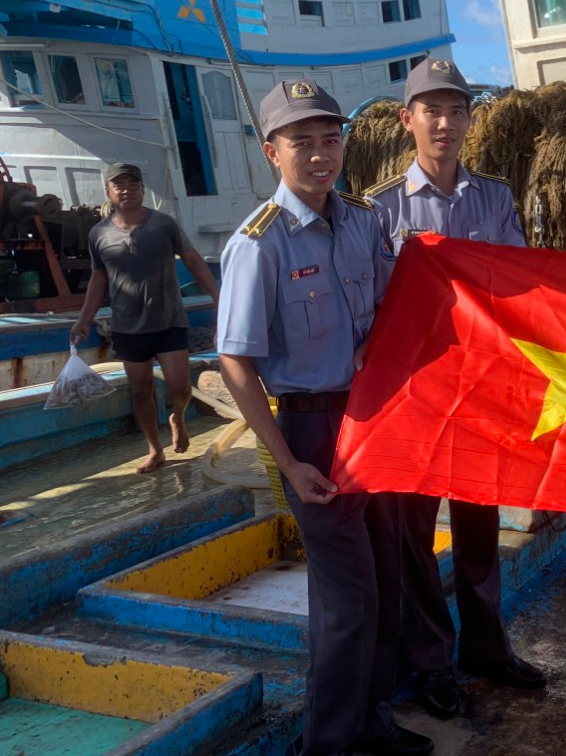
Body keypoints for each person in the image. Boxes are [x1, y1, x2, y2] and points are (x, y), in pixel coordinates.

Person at [217, 79, 432, 756]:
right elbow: (236, 364)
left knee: (388, 582)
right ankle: (329, 744)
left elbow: (397, 303)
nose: (319, 154)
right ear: (270, 151)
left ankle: (372, 724)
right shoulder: (260, 243)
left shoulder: (363, 221)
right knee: (347, 603)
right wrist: (289, 461)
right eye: (301, 141)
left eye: (329, 138)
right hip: (313, 430)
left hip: (375, 419)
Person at [365, 57, 544, 721]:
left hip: (480, 392)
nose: (444, 123)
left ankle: (487, 647)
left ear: (470, 120)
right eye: (430, 110)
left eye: (456, 110)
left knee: (478, 525)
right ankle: (432, 661)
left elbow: (521, 287)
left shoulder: (493, 200)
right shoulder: (379, 207)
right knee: (415, 536)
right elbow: (371, 306)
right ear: (407, 119)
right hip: (414, 396)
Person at [70, 162, 219, 474]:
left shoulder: (164, 224)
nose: (126, 189)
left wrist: (219, 297)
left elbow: (192, 260)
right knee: (141, 390)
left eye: (132, 184)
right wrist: (85, 318)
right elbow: (99, 279)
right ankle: (155, 450)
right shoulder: (99, 234)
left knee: (179, 387)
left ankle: (177, 416)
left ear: (142, 188)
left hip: (169, 321)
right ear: (108, 191)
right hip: (127, 327)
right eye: (119, 185)